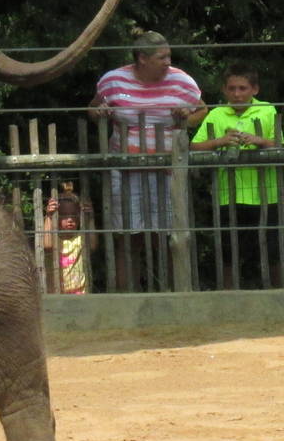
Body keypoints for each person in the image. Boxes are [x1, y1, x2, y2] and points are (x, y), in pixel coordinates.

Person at [86, 30, 206, 290]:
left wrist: (186, 117)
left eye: (169, 56)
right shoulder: (114, 80)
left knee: (168, 236)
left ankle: (175, 297)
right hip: (126, 168)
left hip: (166, 168)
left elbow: (202, 109)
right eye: (162, 57)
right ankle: (128, 299)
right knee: (128, 238)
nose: (167, 62)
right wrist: (101, 112)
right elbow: (93, 108)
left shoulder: (181, 80)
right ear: (142, 58)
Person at [191, 63, 279, 288]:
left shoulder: (268, 110)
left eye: (242, 88)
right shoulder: (216, 114)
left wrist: (261, 142)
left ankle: (278, 294)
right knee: (228, 250)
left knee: (273, 249)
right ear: (224, 90)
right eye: (232, 89)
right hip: (227, 195)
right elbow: (194, 148)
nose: (237, 94)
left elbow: (280, 146)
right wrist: (219, 142)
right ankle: (228, 296)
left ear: (254, 90)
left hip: (266, 195)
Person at [40, 180, 97, 294]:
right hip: (58, 293)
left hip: (81, 292)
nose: (70, 219)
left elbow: (93, 245)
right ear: (57, 216)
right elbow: (46, 244)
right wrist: (49, 216)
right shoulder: (54, 238)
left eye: (73, 215)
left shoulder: (80, 237)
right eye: (65, 215)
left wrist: (90, 217)